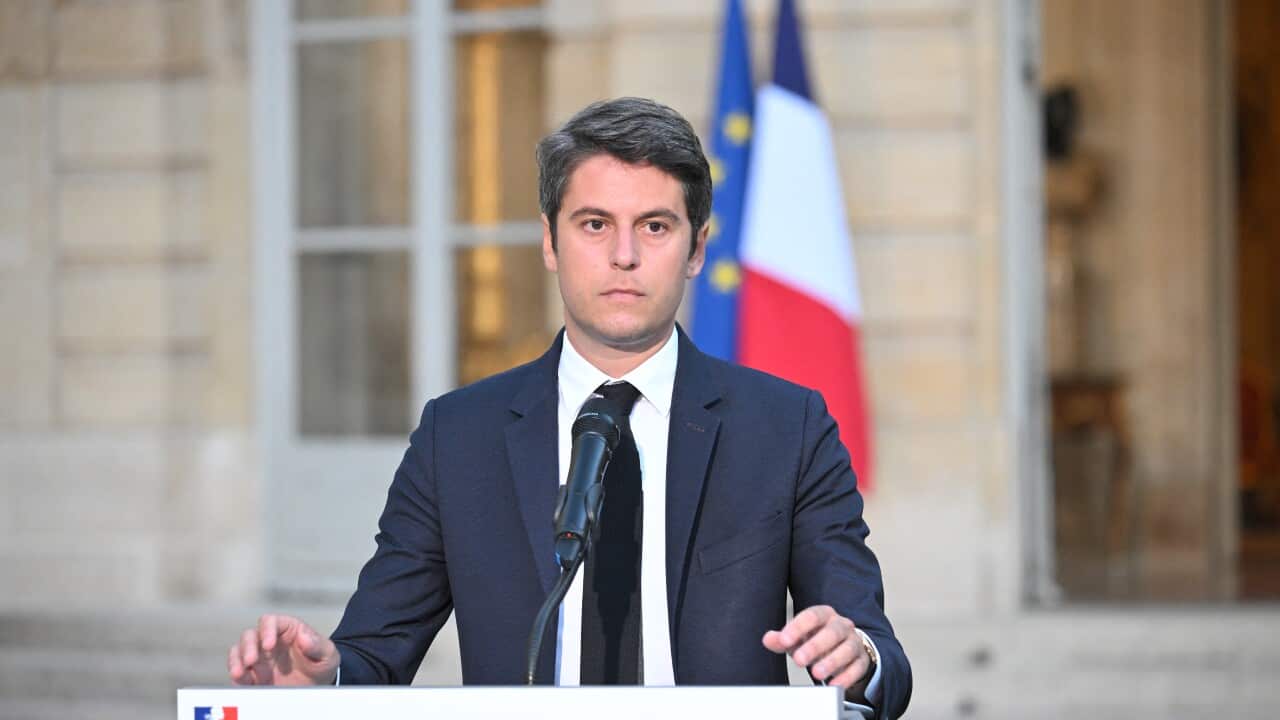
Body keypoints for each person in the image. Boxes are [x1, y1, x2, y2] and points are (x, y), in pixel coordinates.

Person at [227, 97, 912, 718]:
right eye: (594, 224)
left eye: (654, 226)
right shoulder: (457, 437)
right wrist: (322, 680)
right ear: (551, 243)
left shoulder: (786, 428)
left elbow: (881, 657)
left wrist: (859, 660)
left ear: (698, 248)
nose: (623, 255)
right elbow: (375, 655)